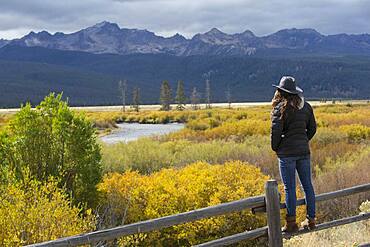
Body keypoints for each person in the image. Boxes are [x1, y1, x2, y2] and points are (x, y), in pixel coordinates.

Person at [270, 76, 317, 233]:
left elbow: (275, 135)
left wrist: (278, 148)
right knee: (307, 186)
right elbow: (312, 129)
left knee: (290, 189)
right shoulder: (306, 107)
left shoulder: (279, 109)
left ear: (281, 92)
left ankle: (291, 224)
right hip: (303, 152)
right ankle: (311, 220)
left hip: (287, 155)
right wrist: (303, 141)